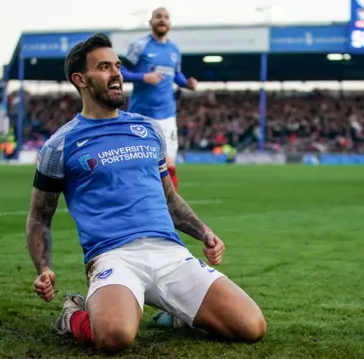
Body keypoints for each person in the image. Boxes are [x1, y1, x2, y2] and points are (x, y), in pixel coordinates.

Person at [26, 33, 265, 353]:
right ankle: (73, 314)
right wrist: (43, 268)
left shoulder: (147, 130)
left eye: (118, 66)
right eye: (104, 67)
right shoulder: (60, 145)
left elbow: (169, 199)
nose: (116, 74)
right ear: (80, 79)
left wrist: (204, 232)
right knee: (114, 337)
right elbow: (39, 217)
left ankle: (181, 312)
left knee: (251, 326)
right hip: (113, 257)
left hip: (171, 254)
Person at [120, 7, 197, 192]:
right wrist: (143, 77)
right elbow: (121, 71)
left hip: (167, 115)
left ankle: (171, 208)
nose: (162, 20)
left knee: (169, 163)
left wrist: (187, 83)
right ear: (151, 22)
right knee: (138, 163)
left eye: (166, 17)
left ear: (170, 23)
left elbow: (176, 75)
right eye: (158, 17)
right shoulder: (140, 46)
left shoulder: (174, 50)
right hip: (141, 116)